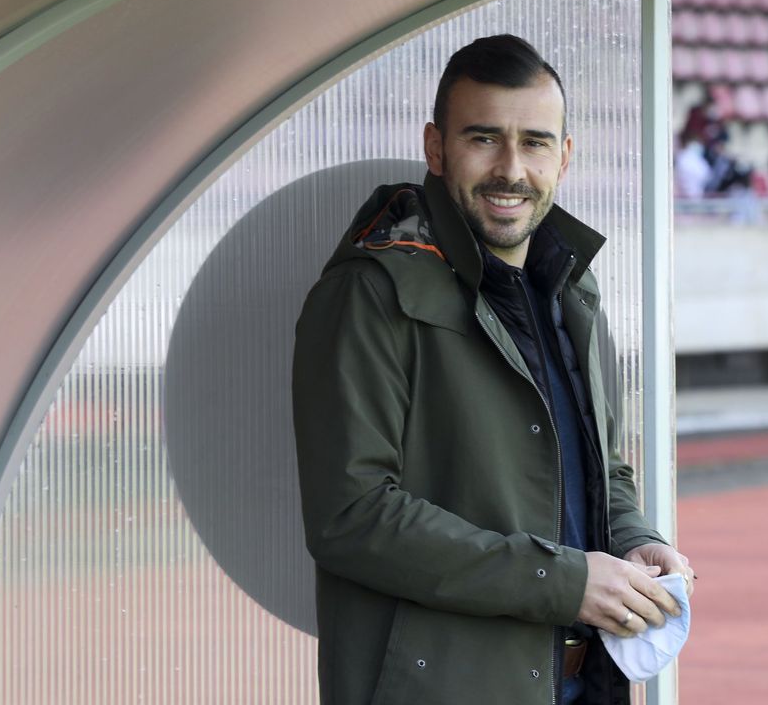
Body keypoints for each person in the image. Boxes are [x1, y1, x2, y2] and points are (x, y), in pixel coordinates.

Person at [292, 35, 694, 705]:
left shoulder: (571, 290)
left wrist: (634, 540)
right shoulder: (372, 291)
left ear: (564, 157)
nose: (511, 167)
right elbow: (351, 516)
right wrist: (565, 582)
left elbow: (599, 470)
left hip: (584, 683)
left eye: (535, 142)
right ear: (436, 148)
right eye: (484, 138)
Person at [675, 135, 711, 199]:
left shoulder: (694, 157)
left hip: (695, 193)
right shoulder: (685, 157)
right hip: (687, 194)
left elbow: (707, 175)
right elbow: (704, 174)